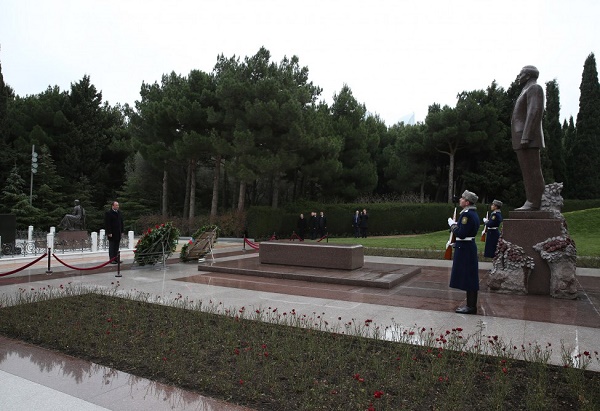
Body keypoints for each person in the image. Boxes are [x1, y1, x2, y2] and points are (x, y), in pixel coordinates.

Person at [511, 65, 545, 211]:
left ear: (529, 75)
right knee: (527, 171)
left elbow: (534, 111)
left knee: (532, 170)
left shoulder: (534, 88)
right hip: (521, 137)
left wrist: (526, 136)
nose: (518, 76)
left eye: (521, 73)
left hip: (527, 138)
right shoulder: (525, 90)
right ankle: (532, 200)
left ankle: (534, 201)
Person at [447, 190, 480, 314]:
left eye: (462, 199)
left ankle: (471, 306)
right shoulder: (470, 213)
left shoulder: (467, 215)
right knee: (468, 277)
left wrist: (452, 225)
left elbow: (461, 233)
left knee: (469, 278)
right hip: (466, 246)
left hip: (466, 249)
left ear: (467, 202)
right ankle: (470, 305)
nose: (460, 200)